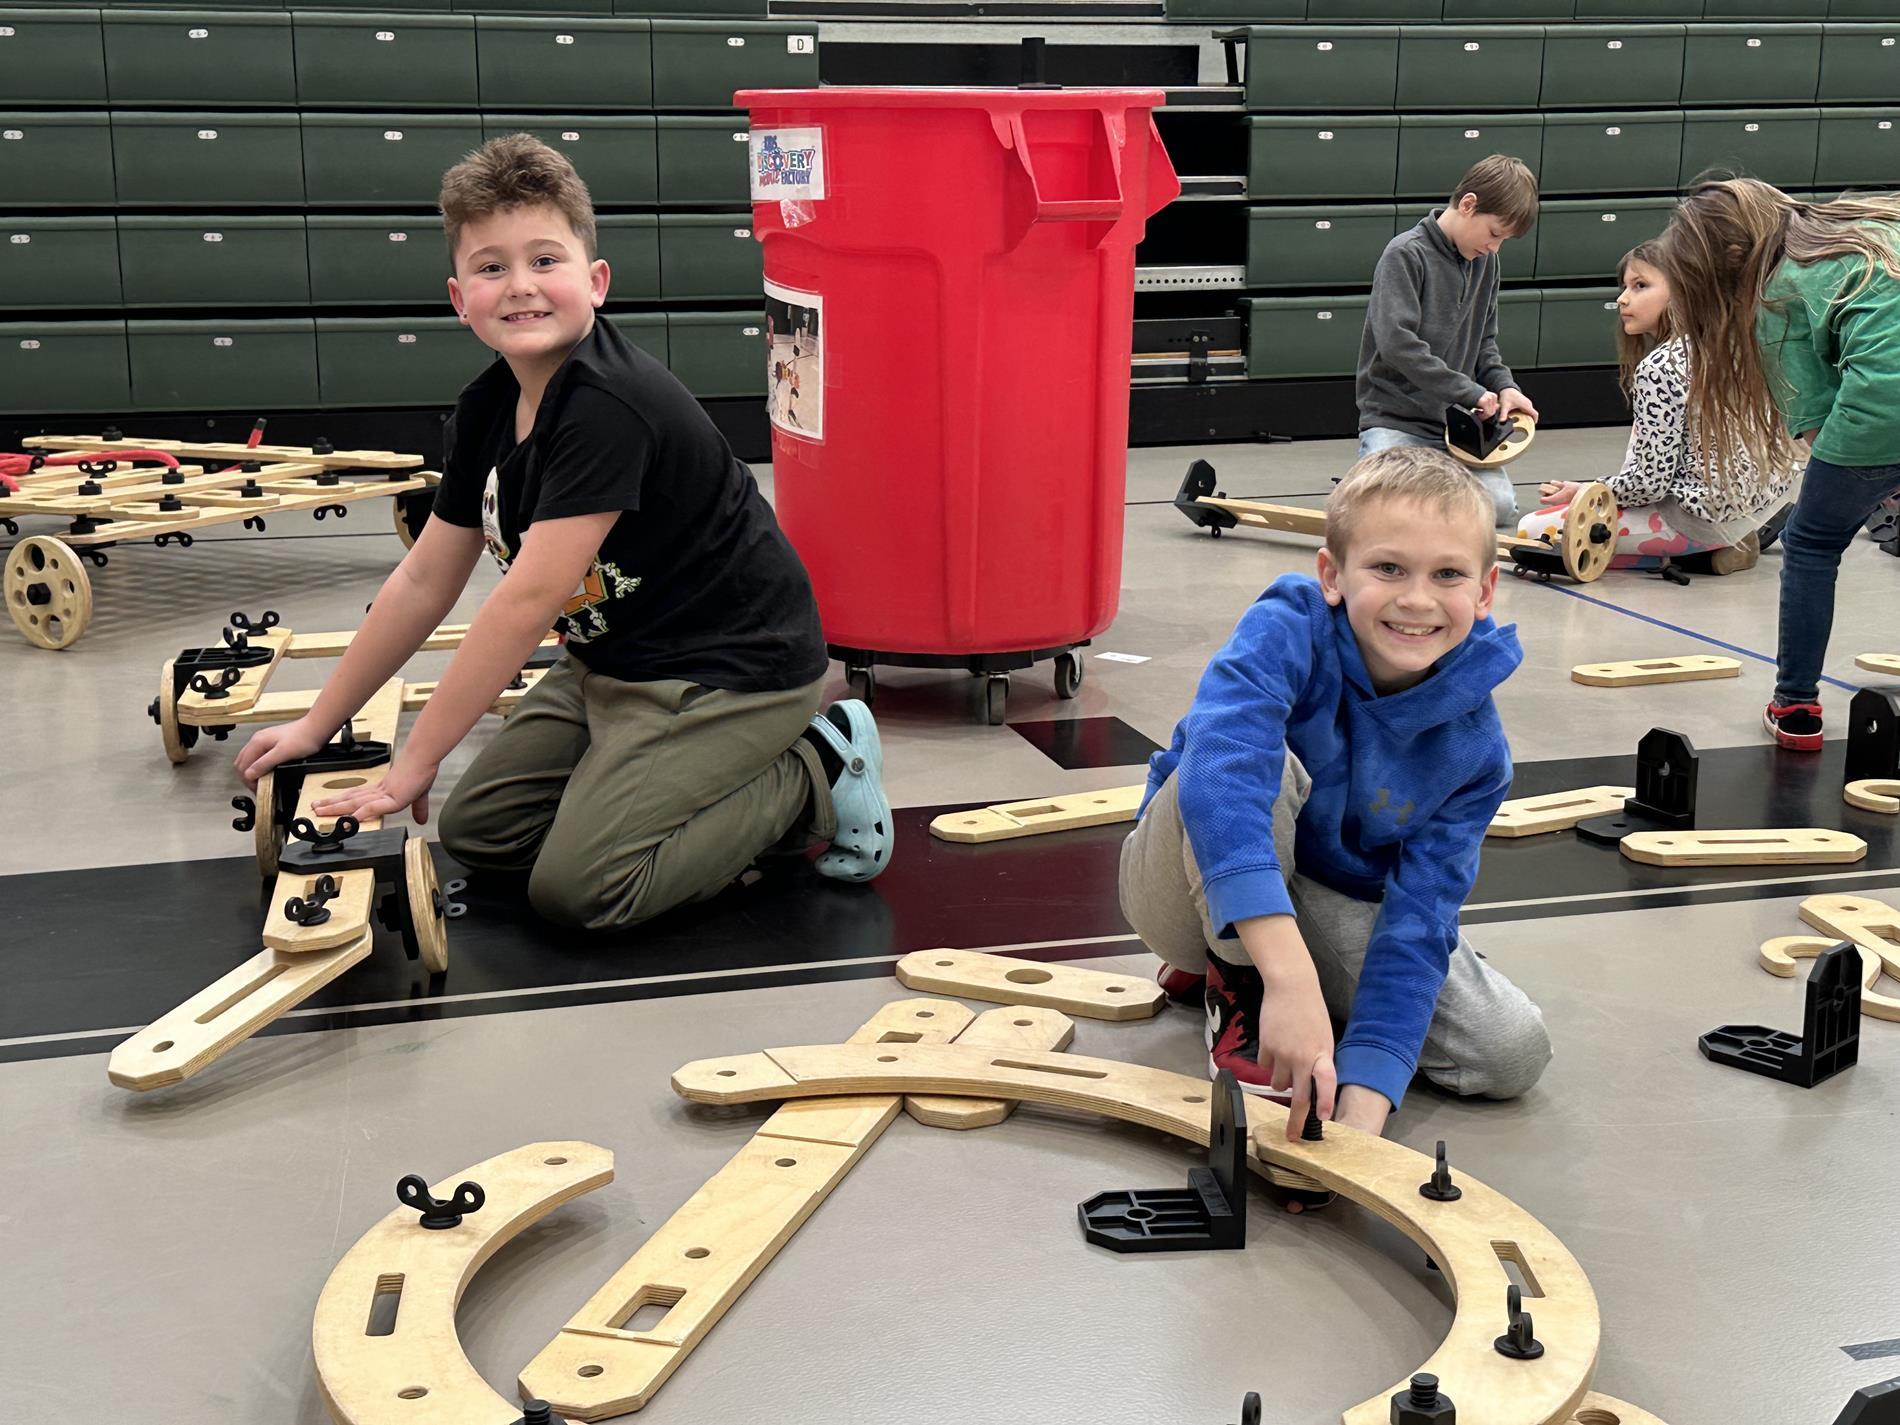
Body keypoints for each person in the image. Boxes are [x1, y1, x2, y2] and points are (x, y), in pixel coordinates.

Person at [235, 134, 894, 927]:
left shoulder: (607, 407)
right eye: (491, 267)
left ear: (596, 280)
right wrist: (318, 722)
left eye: (546, 260)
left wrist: (416, 760)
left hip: (729, 671)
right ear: (458, 296)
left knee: (584, 889)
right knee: (480, 830)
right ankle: (650, 785)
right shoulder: (485, 408)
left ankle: (816, 767)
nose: (521, 287)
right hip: (610, 663)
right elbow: (422, 579)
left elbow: (525, 601)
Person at [1118, 446, 1552, 1162]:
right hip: (1173, 876)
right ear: (1332, 575)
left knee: (1511, 1050)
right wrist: (1289, 979)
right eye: (1388, 568)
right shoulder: (1287, 624)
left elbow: (1420, 919)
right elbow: (1217, 779)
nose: (1416, 599)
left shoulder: (1478, 749)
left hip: (1323, 898)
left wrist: (1361, 1109)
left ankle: (1266, 968)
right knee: (1251, 763)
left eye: (1447, 574)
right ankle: (1240, 979)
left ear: (1484, 592)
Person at [1660, 178, 1900, 750]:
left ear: (1727, 268)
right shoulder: (1867, 228)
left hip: (1880, 408)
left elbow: (1822, 429)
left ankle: (1796, 704)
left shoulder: (1775, 296)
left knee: (1813, 542)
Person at [1519, 240, 1799, 575]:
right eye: (1624, 287)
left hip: (1696, 521)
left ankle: (1697, 554)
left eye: (1640, 286)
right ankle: (1722, 546)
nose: (1623, 298)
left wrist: (1588, 491)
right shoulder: (1728, 343)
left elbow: (1649, 483)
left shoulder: (1659, 368)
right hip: (1755, 506)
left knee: (1533, 532)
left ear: (1683, 292)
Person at [1357, 154, 1542, 529]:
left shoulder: (1486, 264)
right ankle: (1381, 480)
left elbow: (1485, 344)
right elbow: (1397, 345)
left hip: (1455, 431)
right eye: (1494, 233)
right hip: (1396, 420)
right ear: (1469, 204)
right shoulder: (1405, 254)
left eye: (1504, 240)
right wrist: (1470, 393)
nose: (1495, 248)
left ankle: (1417, 489)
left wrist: (1505, 387)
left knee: (1502, 507)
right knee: (1386, 510)